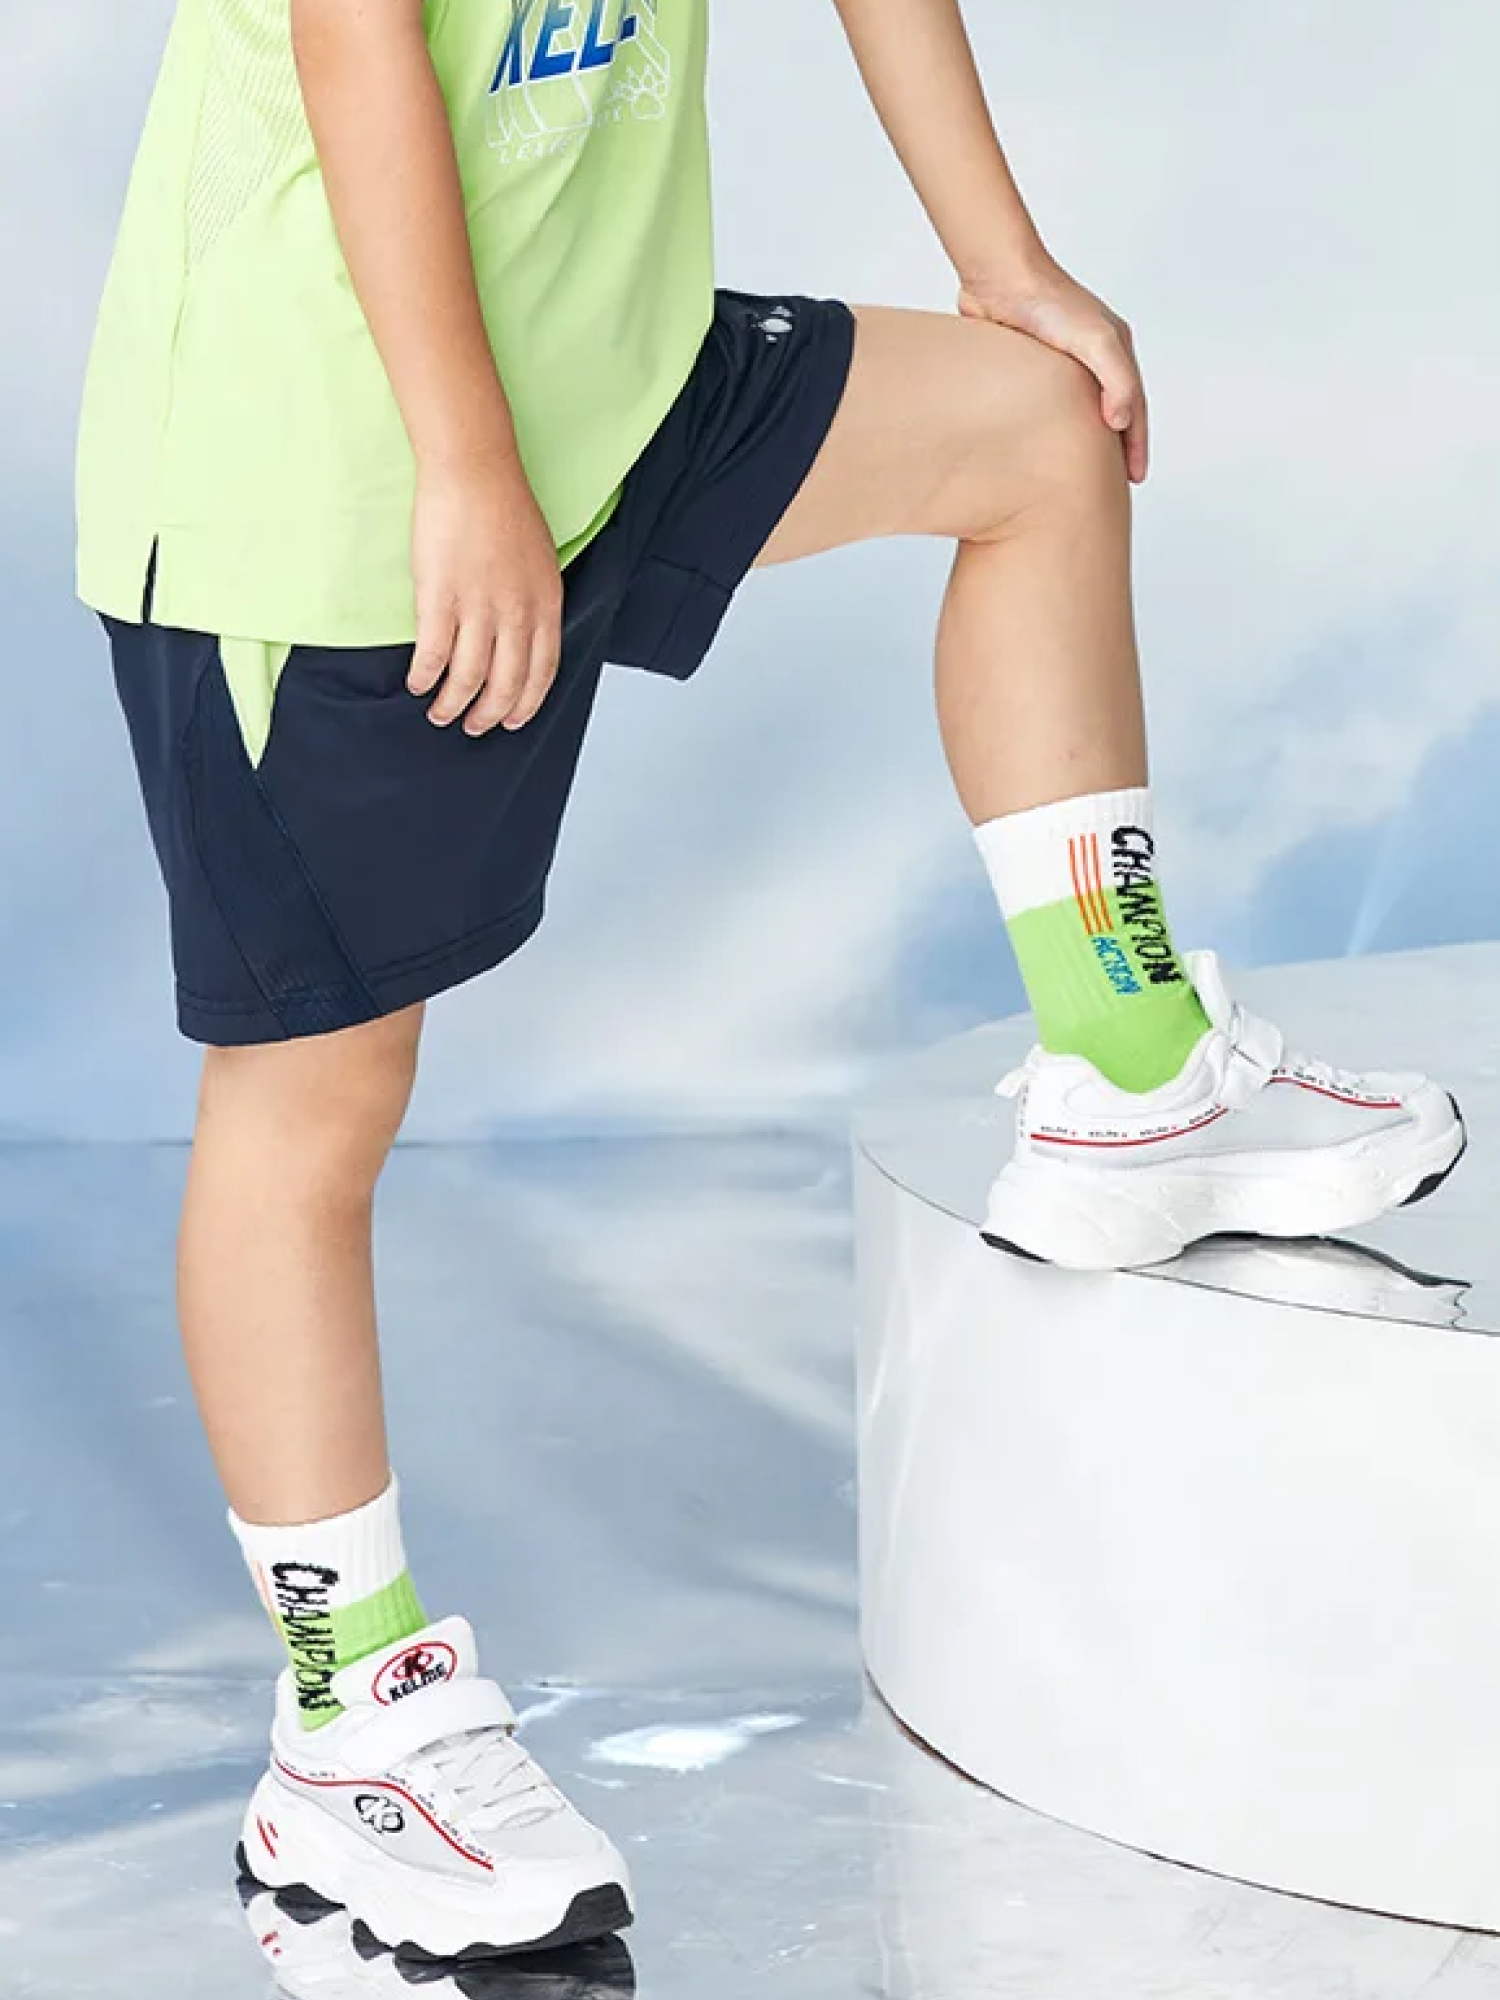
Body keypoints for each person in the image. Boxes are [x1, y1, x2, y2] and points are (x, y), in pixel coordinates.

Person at [75, 0, 1465, 1961]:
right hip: (337, 462)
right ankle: (350, 1728)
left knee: (1034, 428)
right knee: (316, 1098)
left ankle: (1132, 1066)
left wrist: (1003, 261)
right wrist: (463, 462)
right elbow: (351, 33)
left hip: (606, 380)